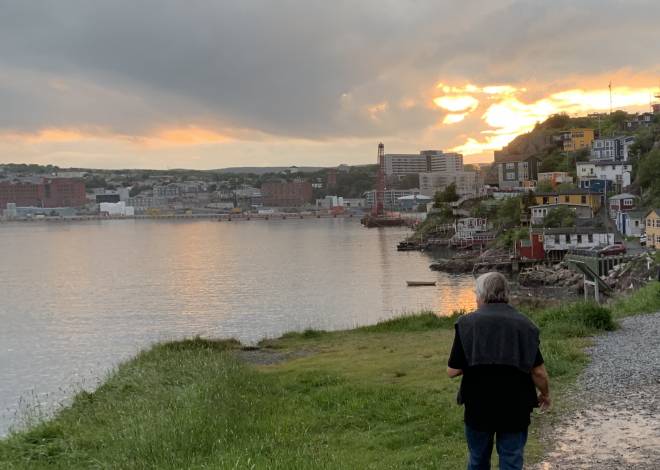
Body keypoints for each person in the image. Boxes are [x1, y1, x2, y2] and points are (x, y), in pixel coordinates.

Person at [447, 272, 550, 470]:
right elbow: (538, 373)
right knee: (511, 461)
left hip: (478, 406)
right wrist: (545, 394)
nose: (476, 299)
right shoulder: (525, 325)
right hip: (516, 408)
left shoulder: (467, 324)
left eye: (476, 294)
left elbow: (452, 371)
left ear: (483, 295)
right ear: (506, 294)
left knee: (477, 460)